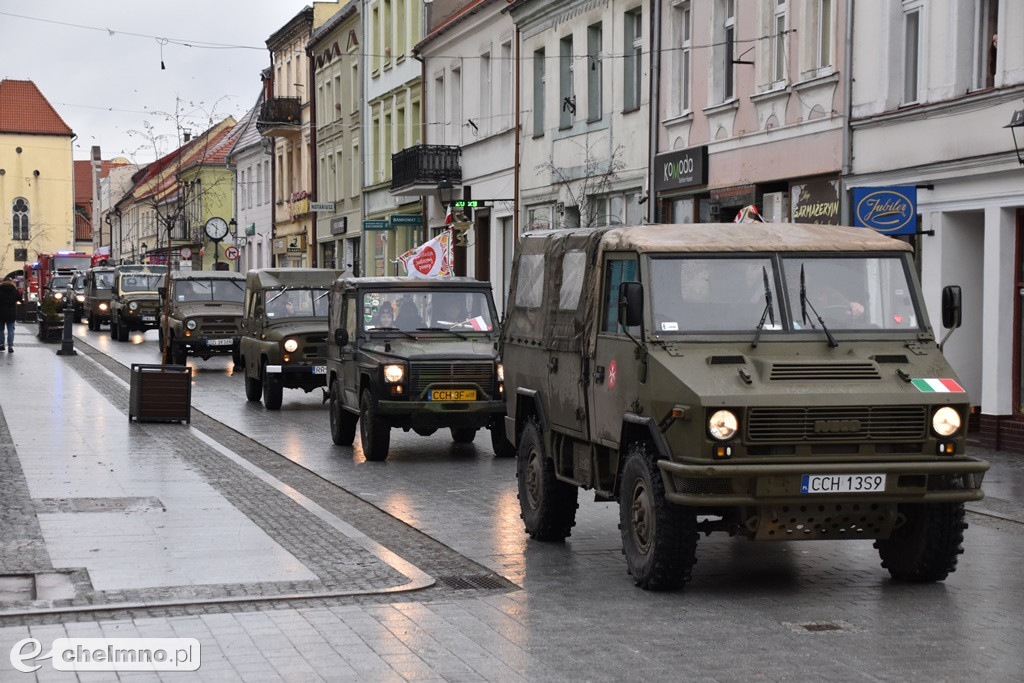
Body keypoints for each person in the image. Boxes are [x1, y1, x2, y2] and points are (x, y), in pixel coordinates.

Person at [0, 276, 23, 352]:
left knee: (1, 330)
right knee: (11, 330)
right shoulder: (14, 290)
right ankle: (10, 346)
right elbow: (20, 299)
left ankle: (1, 345)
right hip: (11, 313)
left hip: (1, 313)